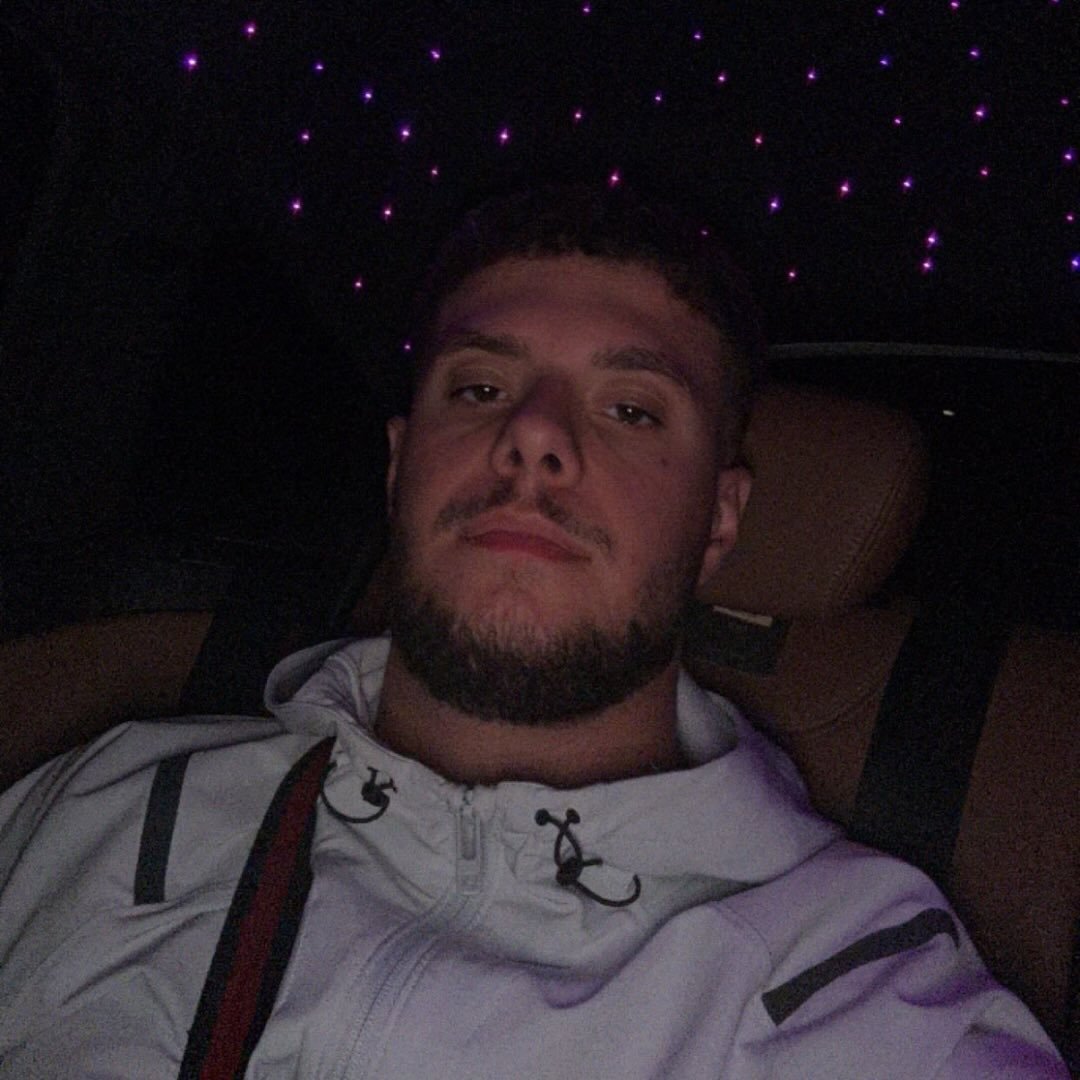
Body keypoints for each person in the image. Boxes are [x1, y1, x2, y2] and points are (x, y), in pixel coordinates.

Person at [0, 187, 1067, 1078]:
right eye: (481, 386)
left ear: (720, 519)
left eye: (631, 409)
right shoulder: (104, 810)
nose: (535, 435)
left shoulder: (848, 987)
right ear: (399, 467)